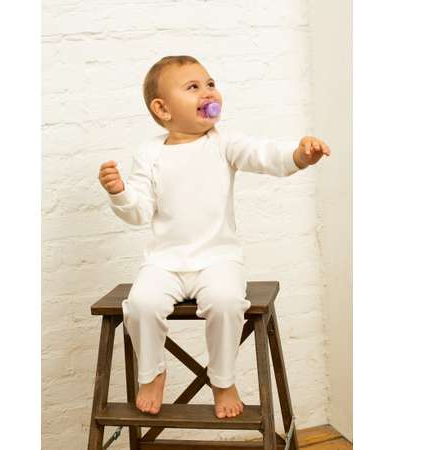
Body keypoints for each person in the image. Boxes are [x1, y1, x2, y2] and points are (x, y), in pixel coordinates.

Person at [98, 55, 331, 419]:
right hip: (165, 262)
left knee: (226, 302)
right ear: (162, 109)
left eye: (210, 84)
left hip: (218, 259)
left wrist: (298, 155)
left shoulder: (224, 142)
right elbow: (138, 211)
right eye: (193, 87)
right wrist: (119, 193)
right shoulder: (149, 153)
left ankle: (222, 379)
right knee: (142, 304)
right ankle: (152, 373)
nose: (208, 92)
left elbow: (264, 154)